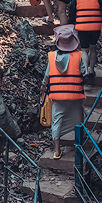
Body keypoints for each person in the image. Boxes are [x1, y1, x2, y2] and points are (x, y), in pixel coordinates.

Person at [41, 23, 86, 160]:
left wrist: (43, 89)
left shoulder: (51, 57)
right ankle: (79, 145)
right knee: (79, 119)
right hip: (75, 95)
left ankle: (56, 151)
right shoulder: (79, 56)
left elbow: (46, 78)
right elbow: (83, 73)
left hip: (57, 97)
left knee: (56, 122)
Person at [69, 0, 102, 77]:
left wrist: (71, 22)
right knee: (93, 48)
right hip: (96, 26)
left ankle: (85, 71)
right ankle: (91, 70)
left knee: (84, 49)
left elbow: (72, 10)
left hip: (82, 26)